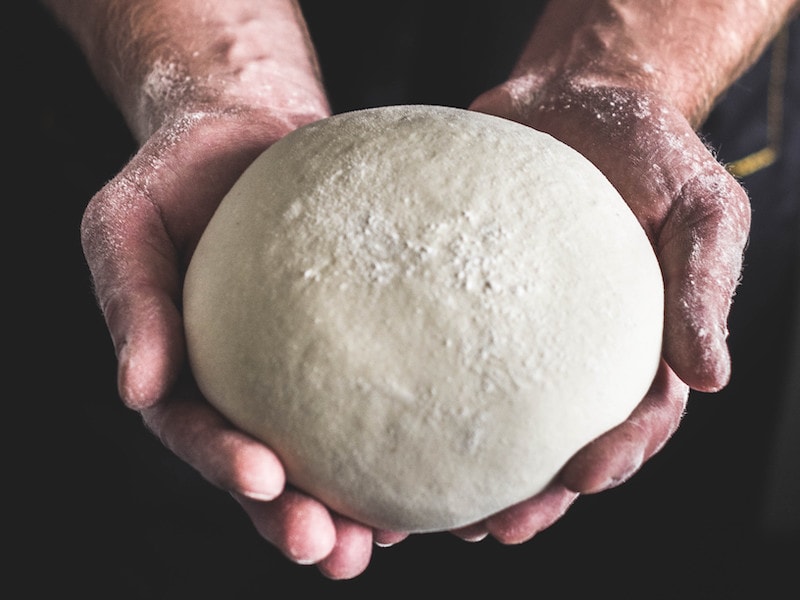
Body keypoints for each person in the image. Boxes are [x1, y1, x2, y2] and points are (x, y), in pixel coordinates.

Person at [38, 0, 798, 584]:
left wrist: (627, 70)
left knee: (650, 553)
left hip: (655, 72)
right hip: (165, 99)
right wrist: (209, 68)